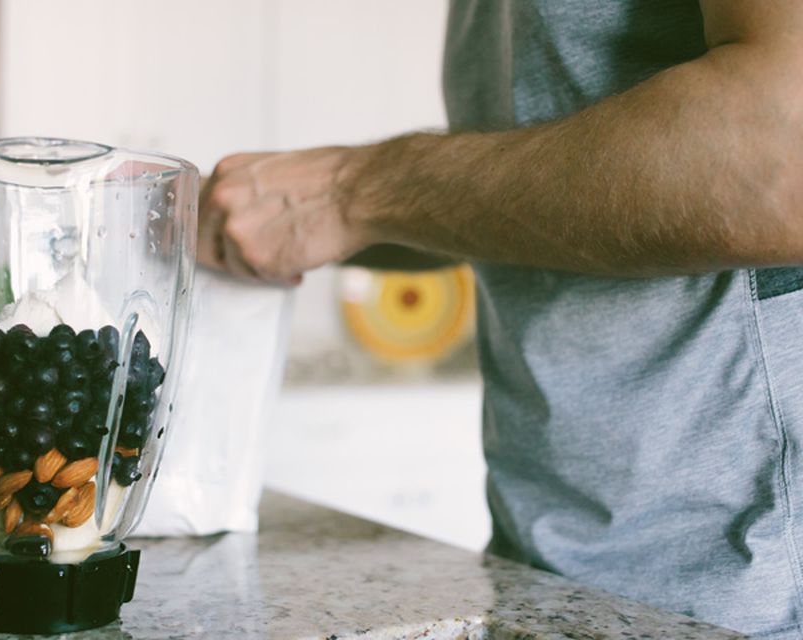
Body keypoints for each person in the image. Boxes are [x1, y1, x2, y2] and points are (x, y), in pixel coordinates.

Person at [197, 2, 803, 637]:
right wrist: (330, 216)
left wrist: (353, 190)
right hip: (548, 582)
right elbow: (543, 188)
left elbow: (779, 151)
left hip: (746, 599)